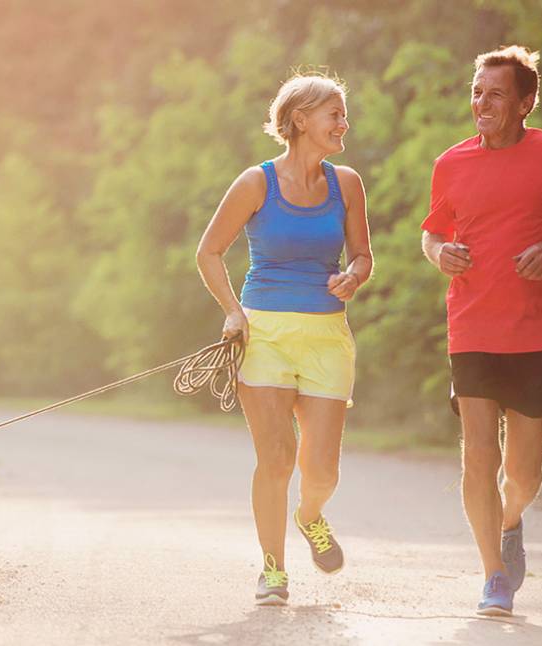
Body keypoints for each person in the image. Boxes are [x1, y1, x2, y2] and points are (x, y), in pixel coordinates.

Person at [419, 45, 542, 617]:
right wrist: (439, 253)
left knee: (523, 473)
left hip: (539, 331)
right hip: (472, 324)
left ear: (525, 102)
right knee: (478, 456)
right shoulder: (450, 163)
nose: (482, 102)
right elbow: (430, 232)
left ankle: (510, 520)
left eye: (496, 93)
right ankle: (493, 575)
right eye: (478, 91)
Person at [195, 73, 372, 606]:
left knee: (322, 469)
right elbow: (209, 252)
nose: (344, 123)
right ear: (300, 120)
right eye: (334, 115)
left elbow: (363, 254)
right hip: (264, 333)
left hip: (326, 336)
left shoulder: (347, 184)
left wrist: (355, 276)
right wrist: (232, 312)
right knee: (275, 459)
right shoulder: (256, 182)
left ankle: (310, 515)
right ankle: (273, 569)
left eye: (343, 115)